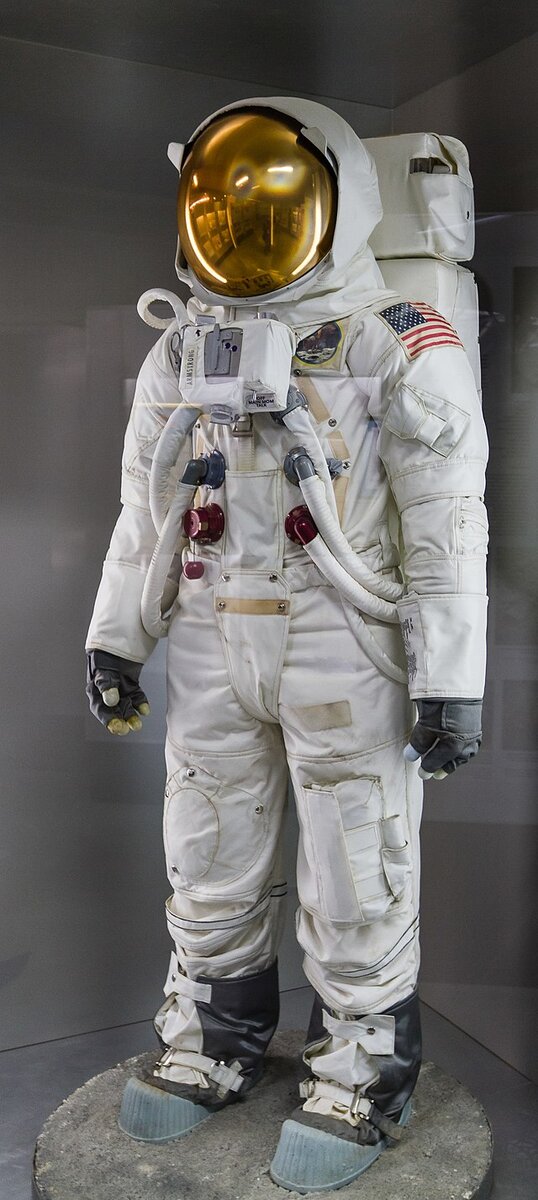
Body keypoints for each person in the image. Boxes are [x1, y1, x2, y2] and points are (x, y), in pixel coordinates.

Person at [86, 97, 488, 1193]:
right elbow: (147, 511)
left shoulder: (396, 339)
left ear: (336, 199)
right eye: (226, 209)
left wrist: (451, 679)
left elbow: (448, 520)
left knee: (356, 862)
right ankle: (212, 1036)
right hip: (212, 632)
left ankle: (362, 1067)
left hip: (345, 635)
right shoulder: (182, 349)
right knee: (206, 843)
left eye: (272, 204)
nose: (246, 228)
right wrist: (117, 640)